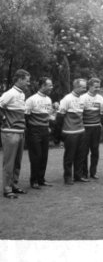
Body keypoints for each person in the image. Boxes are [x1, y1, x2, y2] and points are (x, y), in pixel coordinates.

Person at [0, 69, 30, 199]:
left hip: (20, 131)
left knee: (17, 161)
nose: (28, 83)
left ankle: (13, 184)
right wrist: (4, 119)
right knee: (9, 162)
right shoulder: (10, 93)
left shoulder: (22, 94)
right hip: (10, 132)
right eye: (27, 80)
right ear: (19, 79)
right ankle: (7, 189)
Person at [55, 78, 88, 185]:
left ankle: (78, 176)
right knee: (69, 156)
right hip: (70, 132)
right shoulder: (67, 99)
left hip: (81, 131)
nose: (85, 89)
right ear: (77, 87)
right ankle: (68, 177)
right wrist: (58, 135)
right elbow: (59, 117)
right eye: (83, 87)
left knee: (80, 155)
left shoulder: (82, 99)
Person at [25, 77, 53, 189]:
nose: (52, 87)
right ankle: (34, 180)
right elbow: (26, 116)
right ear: (42, 86)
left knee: (44, 156)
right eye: (50, 85)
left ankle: (41, 179)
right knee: (36, 156)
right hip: (34, 131)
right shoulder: (31, 99)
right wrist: (31, 129)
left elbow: (47, 115)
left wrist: (48, 127)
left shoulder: (49, 100)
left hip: (45, 130)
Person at [80, 78, 103, 179]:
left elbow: (101, 114)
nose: (97, 89)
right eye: (95, 87)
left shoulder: (100, 98)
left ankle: (93, 172)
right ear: (89, 86)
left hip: (96, 128)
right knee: (84, 151)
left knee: (95, 151)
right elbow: (80, 113)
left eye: (99, 87)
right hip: (85, 128)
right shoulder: (83, 97)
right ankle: (84, 173)